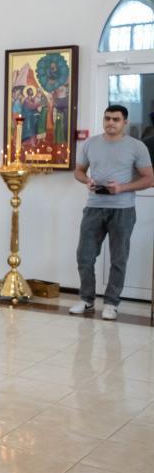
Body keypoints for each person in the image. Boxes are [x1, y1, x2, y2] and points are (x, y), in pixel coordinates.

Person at [69, 104, 153, 320]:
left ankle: (111, 303)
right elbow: (78, 171)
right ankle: (86, 299)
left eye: (116, 119)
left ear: (125, 122)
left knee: (118, 258)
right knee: (84, 256)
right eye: (107, 118)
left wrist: (122, 188)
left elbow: (149, 179)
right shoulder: (91, 143)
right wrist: (87, 180)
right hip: (94, 208)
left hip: (123, 210)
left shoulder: (137, 147)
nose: (110, 123)